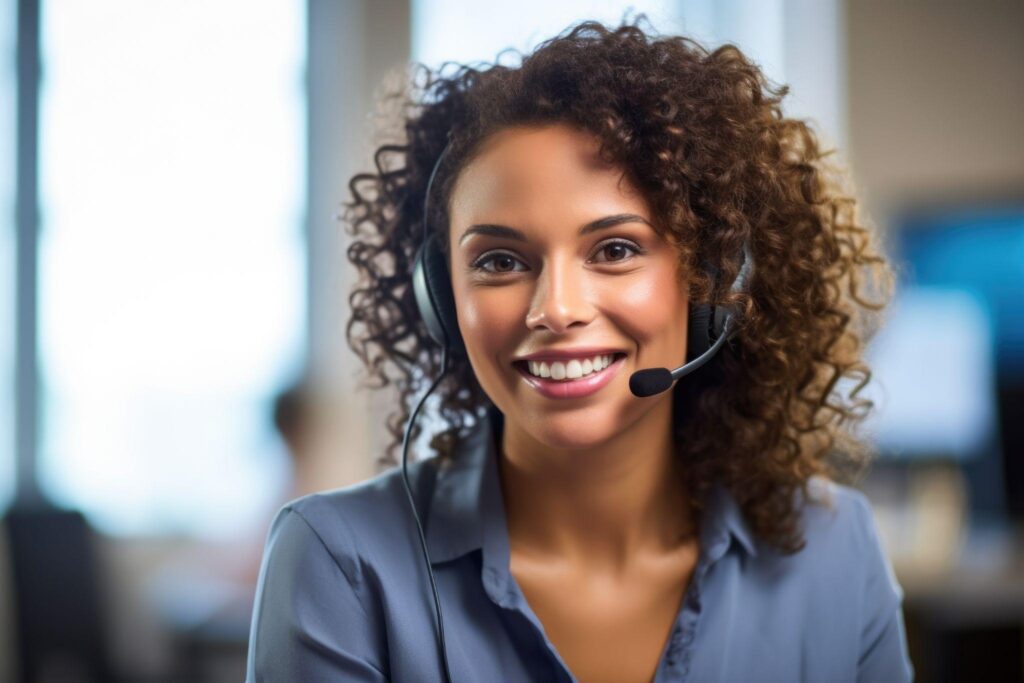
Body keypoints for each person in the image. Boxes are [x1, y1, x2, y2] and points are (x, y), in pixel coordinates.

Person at [246, 14, 913, 683]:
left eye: (616, 249)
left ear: (711, 283)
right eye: (501, 260)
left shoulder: (836, 551)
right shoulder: (341, 565)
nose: (556, 308)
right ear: (442, 300)